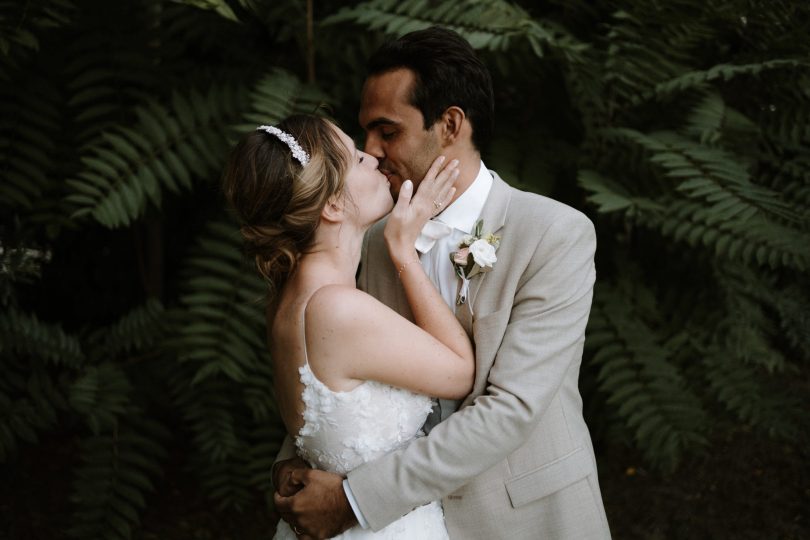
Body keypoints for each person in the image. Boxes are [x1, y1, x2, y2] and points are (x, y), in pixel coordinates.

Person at [273, 27, 611, 540]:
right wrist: (295, 463)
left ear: (450, 124)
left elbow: (510, 408)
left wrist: (354, 500)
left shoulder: (553, 235)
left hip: (525, 517)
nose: (372, 151)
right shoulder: (369, 241)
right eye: (364, 133)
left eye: (387, 132)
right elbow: (333, 369)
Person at [222, 113, 476, 539]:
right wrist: (403, 251)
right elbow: (461, 372)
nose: (374, 157)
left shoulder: (286, 298)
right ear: (333, 206)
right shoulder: (337, 309)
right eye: (357, 158)